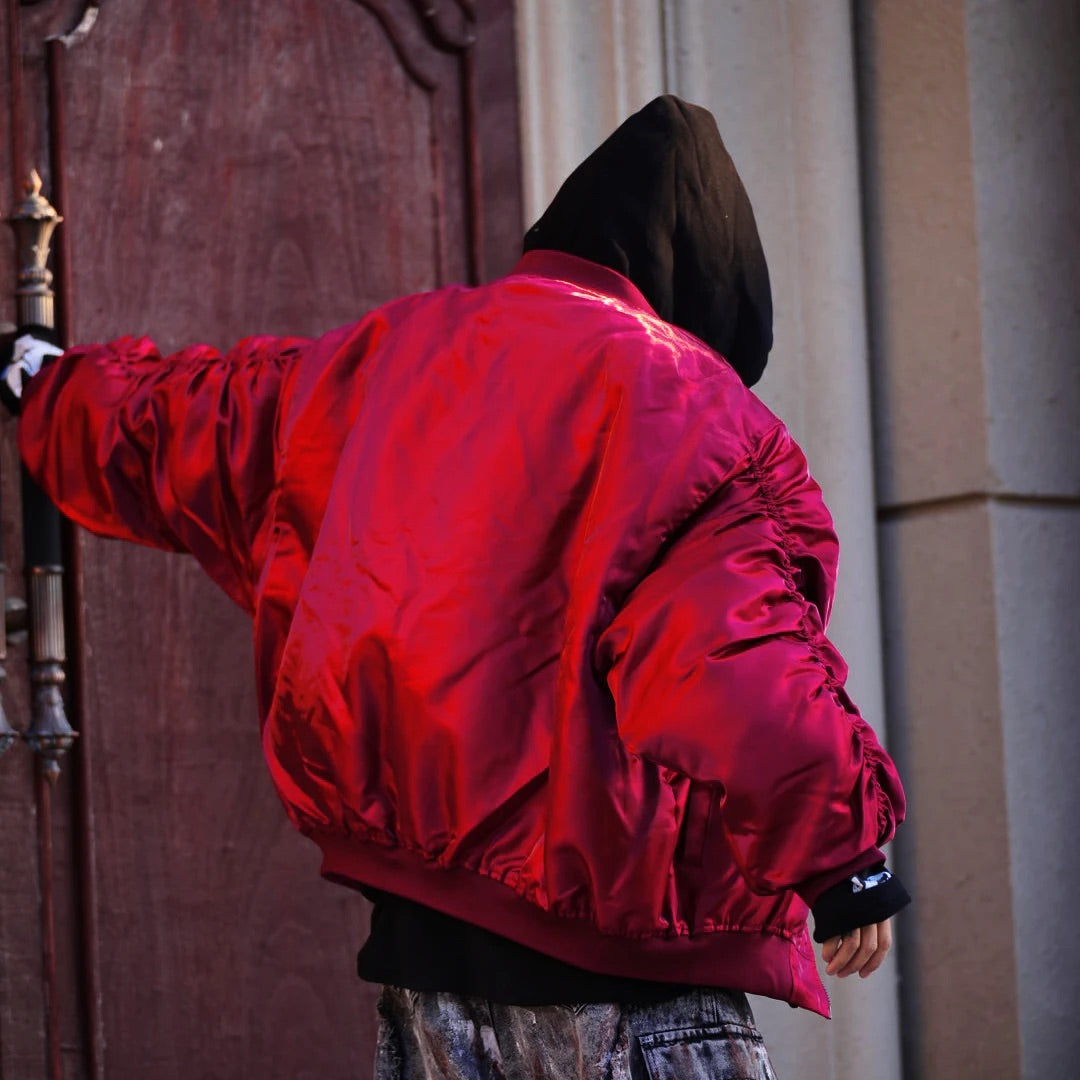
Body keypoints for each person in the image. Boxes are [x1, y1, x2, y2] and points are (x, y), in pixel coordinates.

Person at [6, 96, 909, 1079]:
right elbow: (730, 655)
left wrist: (52, 387)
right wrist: (844, 857)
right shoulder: (693, 410)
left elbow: (203, 424)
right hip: (631, 978)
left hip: (427, 971)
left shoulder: (388, 356)